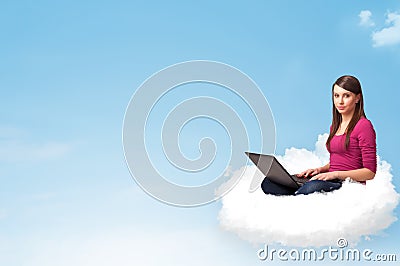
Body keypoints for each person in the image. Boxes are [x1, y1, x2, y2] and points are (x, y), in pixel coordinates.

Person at [261, 75, 377, 196]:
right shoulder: (335, 126)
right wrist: (319, 170)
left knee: (311, 187)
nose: (340, 101)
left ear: (357, 98)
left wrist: (335, 174)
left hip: (347, 183)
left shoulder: (364, 126)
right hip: (330, 179)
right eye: (336, 95)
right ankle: (299, 191)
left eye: (346, 96)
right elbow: (341, 160)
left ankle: (300, 192)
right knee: (269, 182)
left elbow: (369, 172)